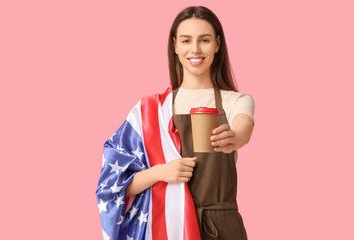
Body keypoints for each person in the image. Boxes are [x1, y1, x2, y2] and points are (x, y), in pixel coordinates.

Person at [96, 5, 254, 240]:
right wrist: (160, 172)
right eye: (186, 40)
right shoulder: (150, 110)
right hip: (167, 226)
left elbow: (242, 129)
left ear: (217, 45)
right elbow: (114, 186)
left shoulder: (237, 101)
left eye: (205, 40)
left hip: (222, 228)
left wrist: (231, 138)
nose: (195, 49)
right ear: (175, 46)